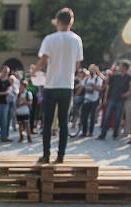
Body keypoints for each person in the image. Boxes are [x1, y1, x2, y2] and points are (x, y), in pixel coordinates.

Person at [30, 7, 83, 163]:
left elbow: (44, 59)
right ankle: (61, 156)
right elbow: (77, 65)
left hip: (51, 84)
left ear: (58, 22)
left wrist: (35, 71)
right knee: (64, 122)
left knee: (47, 122)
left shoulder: (50, 39)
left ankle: (46, 155)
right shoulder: (76, 40)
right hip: (67, 85)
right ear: (71, 22)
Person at [98, 60, 131, 140]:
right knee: (107, 117)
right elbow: (108, 86)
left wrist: (127, 94)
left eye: (120, 65)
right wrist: (106, 98)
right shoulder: (115, 76)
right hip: (112, 99)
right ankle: (103, 134)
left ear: (125, 67)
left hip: (121, 100)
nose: (119, 67)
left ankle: (115, 134)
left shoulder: (130, 77)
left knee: (118, 118)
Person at [80, 66, 102, 137]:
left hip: (94, 99)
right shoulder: (86, 79)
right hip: (87, 99)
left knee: (92, 117)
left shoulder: (98, 79)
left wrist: (94, 86)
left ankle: (91, 132)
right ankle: (84, 131)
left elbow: (100, 89)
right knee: (84, 116)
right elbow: (82, 86)